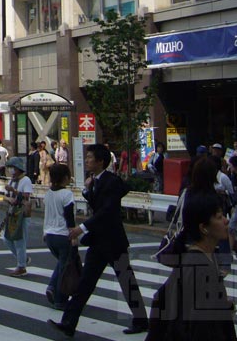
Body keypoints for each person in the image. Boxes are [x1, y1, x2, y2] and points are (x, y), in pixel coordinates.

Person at [49, 143, 148, 337]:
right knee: (85, 283)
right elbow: (99, 205)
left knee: (126, 281)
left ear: (101, 161)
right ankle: (68, 323)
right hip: (98, 241)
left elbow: (107, 211)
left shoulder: (111, 181)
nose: (86, 161)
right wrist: (88, 191)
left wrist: (81, 228)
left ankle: (141, 320)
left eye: (90, 158)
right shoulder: (95, 180)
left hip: (113, 241)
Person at [146, 193, 237, 341]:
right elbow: (201, 327)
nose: (226, 221)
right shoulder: (199, 267)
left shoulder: (206, 256)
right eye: (219, 217)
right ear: (204, 228)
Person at [43, 163, 76, 310]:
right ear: (65, 178)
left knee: (62, 263)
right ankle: (60, 299)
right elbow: (69, 216)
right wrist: (73, 234)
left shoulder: (49, 193)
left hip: (49, 235)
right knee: (65, 268)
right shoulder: (66, 194)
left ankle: (52, 287)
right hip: (63, 234)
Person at [3, 156, 33, 277]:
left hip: (21, 214)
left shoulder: (25, 180)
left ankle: (21, 266)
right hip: (12, 213)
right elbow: (6, 196)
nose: (11, 171)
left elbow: (26, 196)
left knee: (20, 240)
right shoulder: (12, 180)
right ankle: (23, 259)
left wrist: (14, 191)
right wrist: (8, 198)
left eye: (13, 168)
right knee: (7, 239)